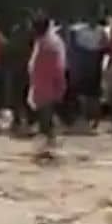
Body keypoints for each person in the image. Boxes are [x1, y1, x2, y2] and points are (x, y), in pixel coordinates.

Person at [28, 16, 67, 149]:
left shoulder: (50, 44)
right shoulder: (44, 42)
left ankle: (49, 148)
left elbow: (58, 67)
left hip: (47, 86)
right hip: (42, 86)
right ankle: (50, 147)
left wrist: (59, 85)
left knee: (45, 121)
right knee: (45, 121)